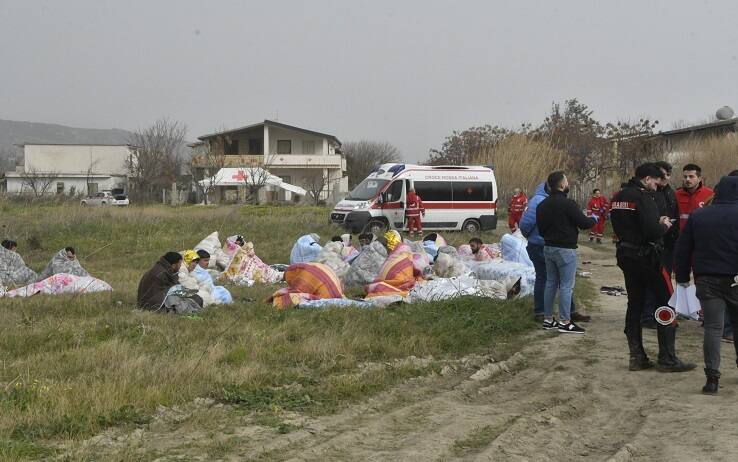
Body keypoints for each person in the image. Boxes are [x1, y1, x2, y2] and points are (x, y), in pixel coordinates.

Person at [610, 162, 695, 372]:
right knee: (667, 302)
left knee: (635, 303)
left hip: (625, 255)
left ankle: (636, 356)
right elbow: (651, 231)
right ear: (647, 179)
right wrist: (664, 224)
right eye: (656, 182)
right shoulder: (643, 197)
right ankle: (667, 358)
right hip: (647, 257)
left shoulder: (618, 197)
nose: (658, 187)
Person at [674, 175, 738, 394]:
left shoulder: (699, 216)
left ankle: (712, 380)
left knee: (713, 328)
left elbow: (683, 249)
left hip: (707, 279)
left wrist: (682, 277)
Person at [520, 182, 590, 324]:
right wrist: (536, 237)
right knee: (554, 280)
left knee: (552, 280)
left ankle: (550, 315)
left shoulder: (543, 201)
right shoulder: (540, 201)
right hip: (542, 245)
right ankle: (555, 315)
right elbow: (525, 224)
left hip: (545, 244)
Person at [536, 171, 597, 334]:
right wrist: (594, 219)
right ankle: (565, 321)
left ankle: (548, 319)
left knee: (550, 283)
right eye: (567, 181)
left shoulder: (542, 205)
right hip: (565, 249)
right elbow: (584, 223)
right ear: (562, 185)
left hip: (548, 247)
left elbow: (541, 230)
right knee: (566, 285)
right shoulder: (568, 204)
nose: (568, 184)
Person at [676, 163, 714, 230]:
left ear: (699, 179)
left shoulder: (710, 194)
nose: (687, 179)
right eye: (685, 177)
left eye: (691, 176)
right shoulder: (676, 194)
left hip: (702, 234)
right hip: (682, 236)